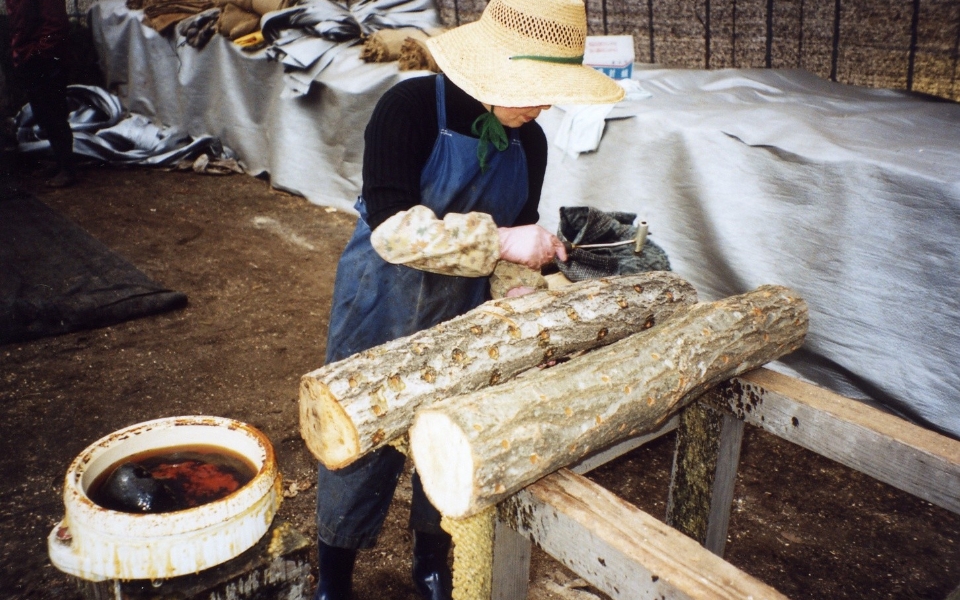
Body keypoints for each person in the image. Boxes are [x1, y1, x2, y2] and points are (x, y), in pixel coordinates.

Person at [313, 0, 624, 598]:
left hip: (465, 312)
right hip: (382, 297)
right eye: (535, 89)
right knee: (360, 435)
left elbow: (513, 261)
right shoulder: (408, 109)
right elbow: (391, 230)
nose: (543, 106)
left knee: (453, 435)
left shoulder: (528, 141)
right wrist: (504, 239)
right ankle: (334, 573)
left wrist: (531, 307)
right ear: (495, 70)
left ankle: (432, 557)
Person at [6, 0, 76, 187]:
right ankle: (59, 162)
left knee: (54, 114)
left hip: (48, 61)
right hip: (30, 58)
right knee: (43, 114)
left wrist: (36, 54)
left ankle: (67, 169)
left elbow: (55, 26)